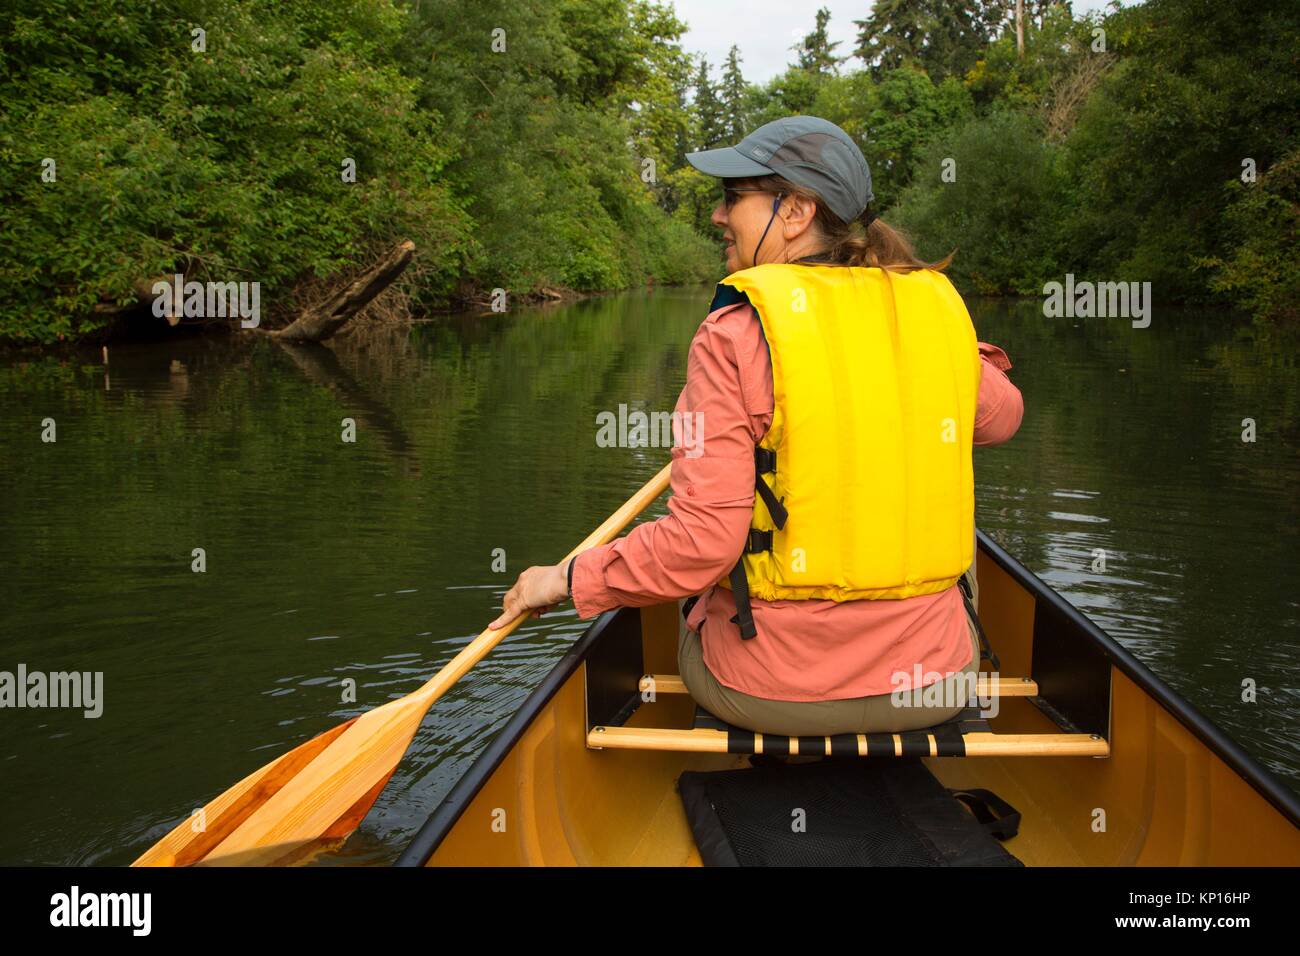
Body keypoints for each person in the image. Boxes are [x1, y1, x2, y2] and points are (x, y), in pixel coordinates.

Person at [490, 116, 1023, 737]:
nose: (718, 215)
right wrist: (953, 349)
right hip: (934, 685)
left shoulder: (734, 334)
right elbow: (1002, 418)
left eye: (732, 197)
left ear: (795, 211)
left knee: (699, 573)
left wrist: (564, 577)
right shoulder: (930, 308)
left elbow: (699, 548)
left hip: (773, 695)